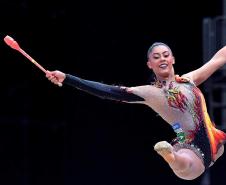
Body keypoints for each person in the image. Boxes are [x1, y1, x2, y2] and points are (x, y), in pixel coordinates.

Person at [46, 42, 226, 180]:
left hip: (215, 142)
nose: (162, 58)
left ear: (173, 59)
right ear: (150, 64)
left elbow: (217, 59)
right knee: (185, 164)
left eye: (165, 55)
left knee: (219, 149)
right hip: (190, 149)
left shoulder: (188, 80)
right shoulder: (150, 93)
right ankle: (170, 156)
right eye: (156, 57)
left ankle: (172, 156)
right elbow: (107, 91)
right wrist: (68, 78)